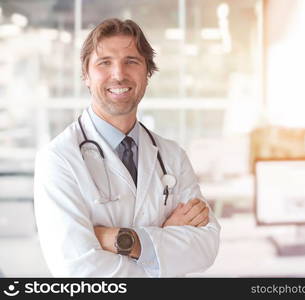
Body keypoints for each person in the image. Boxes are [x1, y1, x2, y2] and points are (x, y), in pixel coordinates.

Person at [34, 18, 220, 277]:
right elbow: (78, 271)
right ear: (86, 75)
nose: (119, 74)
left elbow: (205, 247)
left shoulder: (172, 156)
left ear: (148, 73)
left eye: (131, 61)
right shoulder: (59, 159)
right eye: (104, 63)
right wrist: (164, 244)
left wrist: (123, 240)